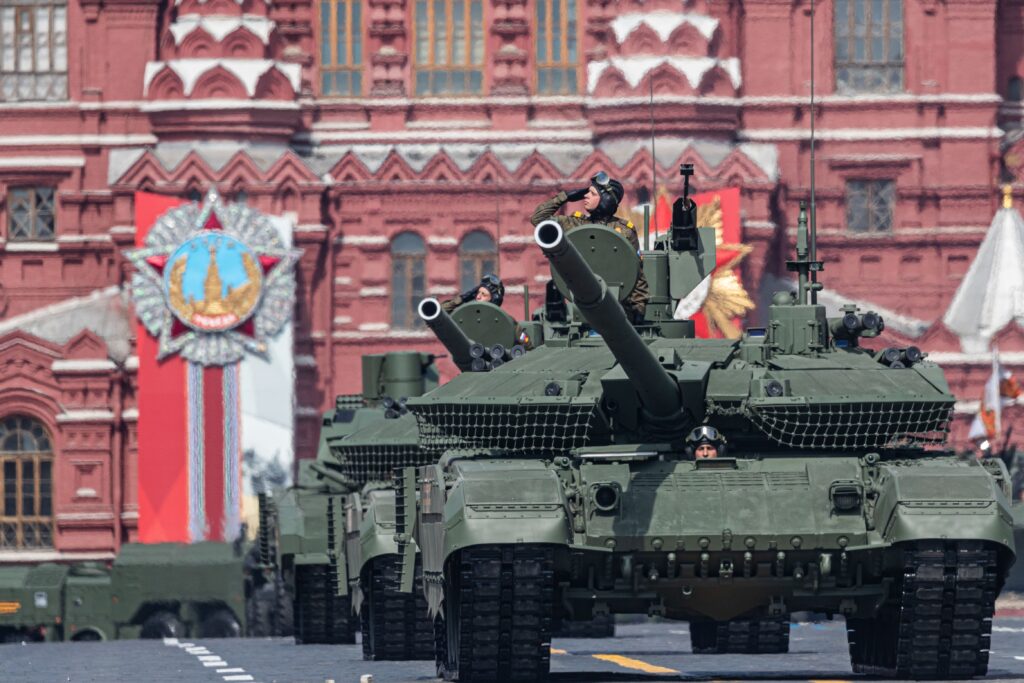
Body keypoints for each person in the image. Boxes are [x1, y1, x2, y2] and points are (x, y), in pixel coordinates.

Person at [530, 171, 650, 322]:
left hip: (619, 308)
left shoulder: (624, 231)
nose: (585, 196)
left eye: (592, 193)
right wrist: (565, 197)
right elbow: (538, 219)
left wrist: (638, 309)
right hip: (581, 307)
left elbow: (636, 273)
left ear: (606, 199)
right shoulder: (575, 224)